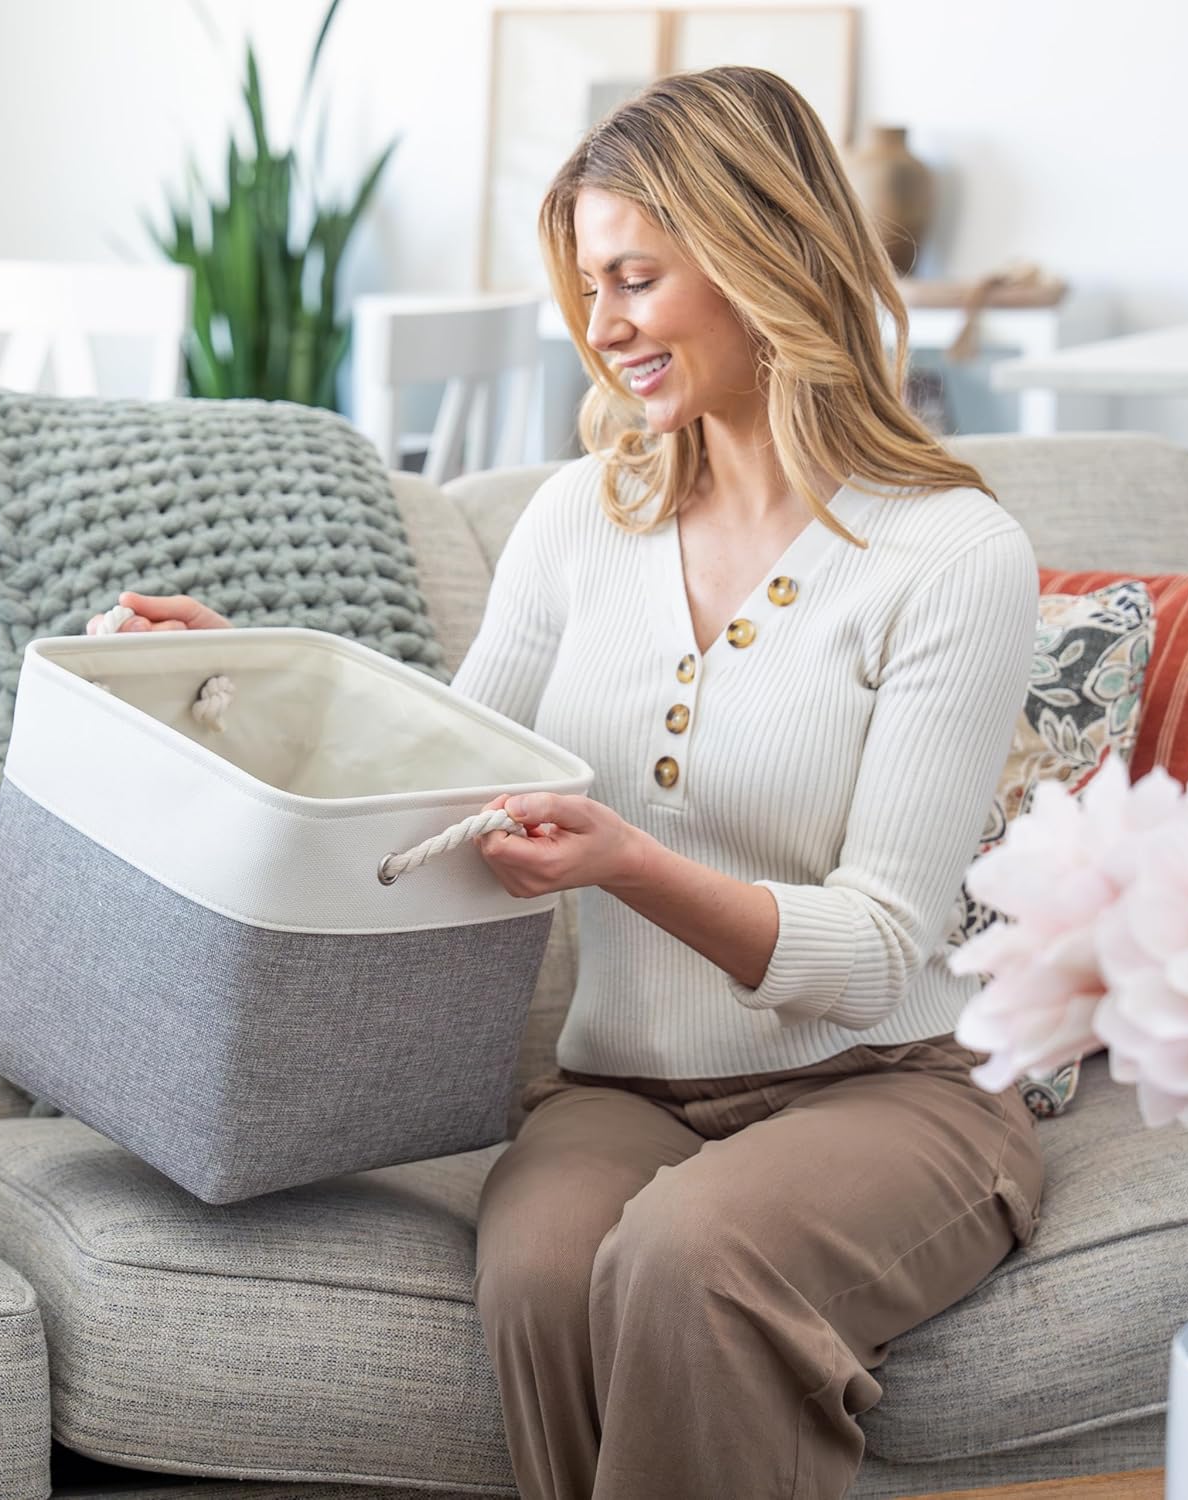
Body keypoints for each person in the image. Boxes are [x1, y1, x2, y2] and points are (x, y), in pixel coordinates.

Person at [91, 65, 1043, 1500]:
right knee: (543, 1268)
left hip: (896, 1086)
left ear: (764, 258)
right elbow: (443, 780)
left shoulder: (952, 555)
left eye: (637, 280)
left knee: (690, 1256)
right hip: (626, 1087)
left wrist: (628, 864)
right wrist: (245, 680)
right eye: (590, 287)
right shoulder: (582, 519)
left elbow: (877, 951)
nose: (602, 328)